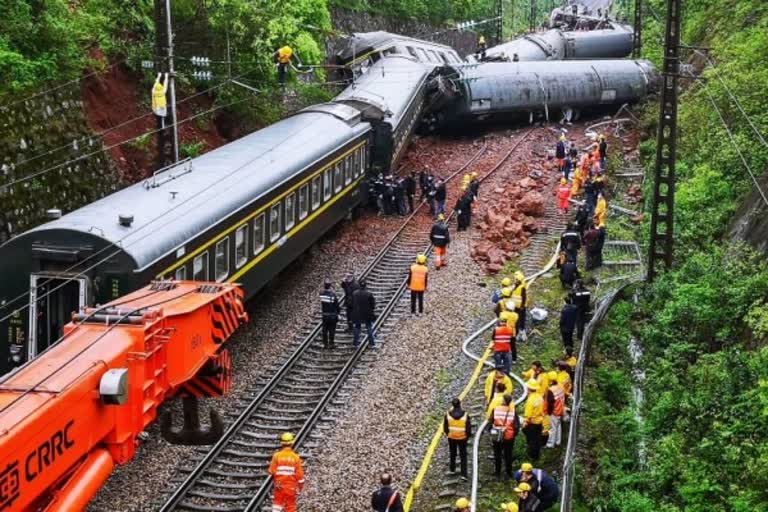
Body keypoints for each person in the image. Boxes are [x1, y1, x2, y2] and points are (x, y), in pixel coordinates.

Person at [268, 432, 305, 512]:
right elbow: (300, 475)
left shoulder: (276, 456)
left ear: (282, 443)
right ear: (292, 443)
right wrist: (301, 487)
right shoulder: (295, 457)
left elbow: (271, 471)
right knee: (290, 506)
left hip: (279, 485)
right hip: (290, 487)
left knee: (277, 504)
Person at [490, 393, 518, 479]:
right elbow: (516, 425)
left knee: (497, 454)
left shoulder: (496, 409)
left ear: (504, 401)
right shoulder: (513, 412)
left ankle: (497, 472)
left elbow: (491, 420)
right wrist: (513, 434)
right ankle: (508, 472)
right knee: (508, 454)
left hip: (497, 435)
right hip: (509, 436)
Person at [443, 398, 472, 480]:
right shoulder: (465, 415)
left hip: (451, 437)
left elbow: (445, 428)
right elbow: (468, 428)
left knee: (452, 453)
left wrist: (449, 433)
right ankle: (464, 474)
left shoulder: (448, 415)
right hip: (462, 438)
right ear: (460, 404)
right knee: (463, 455)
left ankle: (452, 469)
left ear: (452, 405)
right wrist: (467, 437)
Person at [523, 380, 545, 460]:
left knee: (532, 440)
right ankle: (537, 454)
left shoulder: (530, 400)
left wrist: (525, 423)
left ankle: (532, 456)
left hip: (532, 423)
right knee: (537, 439)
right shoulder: (540, 397)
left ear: (529, 388)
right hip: (540, 422)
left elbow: (528, 415)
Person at [351, 279, 376, 348]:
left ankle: (355, 343)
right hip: (367, 314)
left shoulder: (354, 293)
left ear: (359, 285)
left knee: (357, 327)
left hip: (357, 313)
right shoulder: (369, 294)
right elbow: (373, 305)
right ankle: (372, 343)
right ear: (365, 285)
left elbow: (351, 303)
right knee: (369, 327)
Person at [545, 372, 565, 449]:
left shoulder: (551, 390)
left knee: (552, 428)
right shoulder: (560, 386)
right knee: (558, 426)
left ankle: (550, 444)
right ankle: (558, 441)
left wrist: (549, 413)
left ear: (550, 381)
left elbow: (550, 403)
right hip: (560, 410)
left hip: (554, 412)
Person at [320, 279, 340, 348]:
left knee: (325, 330)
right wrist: (338, 312)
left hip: (325, 315)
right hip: (332, 316)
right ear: (330, 286)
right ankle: (331, 343)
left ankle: (325, 344)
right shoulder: (332, 295)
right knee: (332, 330)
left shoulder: (321, 294)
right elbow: (336, 305)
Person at [511, 272, 528, 339]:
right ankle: (517, 332)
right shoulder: (515, 285)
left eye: (516, 280)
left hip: (521, 306)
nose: (515, 280)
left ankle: (522, 331)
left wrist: (522, 306)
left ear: (519, 280)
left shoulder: (522, 287)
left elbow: (524, 298)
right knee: (516, 319)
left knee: (522, 319)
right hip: (515, 306)